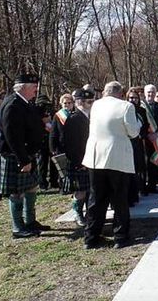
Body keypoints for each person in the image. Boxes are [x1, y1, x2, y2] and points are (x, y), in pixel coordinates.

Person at [82, 81, 140, 249]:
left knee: (96, 198)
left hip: (95, 157)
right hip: (117, 157)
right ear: (120, 93)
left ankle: (91, 236)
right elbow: (133, 132)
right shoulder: (126, 106)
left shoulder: (95, 105)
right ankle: (120, 236)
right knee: (119, 198)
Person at [0, 74, 49, 238]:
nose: (36, 90)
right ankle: (18, 227)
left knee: (31, 187)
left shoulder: (24, 103)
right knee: (17, 192)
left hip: (28, 153)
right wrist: (23, 159)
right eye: (33, 87)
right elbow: (12, 136)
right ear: (24, 88)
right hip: (15, 155)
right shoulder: (12, 105)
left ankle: (30, 221)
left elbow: (30, 121)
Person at [63, 88, 94, 226]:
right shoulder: (74, 118)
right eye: (89, 101)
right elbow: (70, 144)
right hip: (78, 161)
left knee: (88, 189)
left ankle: (89, 214)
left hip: (89, 159)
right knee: (80, 191)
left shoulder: (89, 117)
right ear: (80, 102)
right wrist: (78, 162)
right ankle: (78, 214)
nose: (92, 103)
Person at [142, 84, 158, 194]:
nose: (150, 94)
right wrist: (147, 134)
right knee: (144, 164)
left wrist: (156, 134)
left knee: (155, 163)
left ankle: (153, 185)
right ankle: (143, 187)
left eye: (152, 92)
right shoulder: (141, 106)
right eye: (148, 92)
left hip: (157, 140)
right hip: (144, 140)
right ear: (145, 93)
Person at [47, 93, 74, 190]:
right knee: (62, 170)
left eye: (69, 103)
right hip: (61, 146)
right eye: (64, 103)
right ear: (61, 104)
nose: (67, 105)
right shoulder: (58, 116)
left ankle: (72, 186)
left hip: (73, 146)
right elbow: (53, 133)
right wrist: (52, 148)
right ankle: (63, 187)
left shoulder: (75, 115)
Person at [127, 88, 149, 205]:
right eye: (130, 98)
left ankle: (140, 189)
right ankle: (131, 193)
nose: (132, 100)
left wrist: (142, 135)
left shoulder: (141, 110)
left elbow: (145, 126)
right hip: (128, 143)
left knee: (139, 167)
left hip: (139, 142)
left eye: (135, 98)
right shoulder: (125, 110)